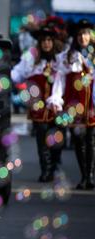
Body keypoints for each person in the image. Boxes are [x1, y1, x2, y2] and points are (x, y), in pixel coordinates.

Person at [11, 26, 64, 182]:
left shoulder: (61, 59)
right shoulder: (31, 59)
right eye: (43, 40)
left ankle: (55, 167)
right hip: (39, 108)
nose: (46, 43)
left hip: (58, 107)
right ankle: (46, 171)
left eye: (49, 40)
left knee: (56, 140)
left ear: (53, 42)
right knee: (42, 140)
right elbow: (17, 74)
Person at [47, 19, 95, 190]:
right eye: (80, 34)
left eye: (86, 33)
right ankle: (84, 176)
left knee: (91, 140)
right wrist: (56, 99)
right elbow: (59, 81)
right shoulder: (67, 57)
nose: (83, 37)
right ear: (76, 36)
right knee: (79, 140)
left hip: (92, 104)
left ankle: (90, 175)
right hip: (75, 105)